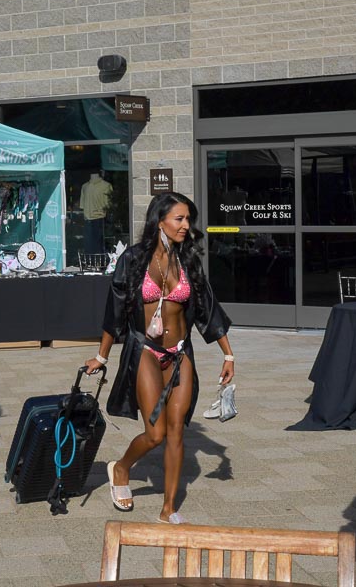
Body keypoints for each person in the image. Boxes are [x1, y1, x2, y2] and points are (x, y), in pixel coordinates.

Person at [83, 192, 235, 524]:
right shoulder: (133, 259)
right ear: (160, 220)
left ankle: (168, 510)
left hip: (180, 353)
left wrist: (228, 354)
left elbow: (208, 307)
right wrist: (101, 357)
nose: (186, 225)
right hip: (145, 351)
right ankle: (121, 468)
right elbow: (115, 310)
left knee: (176, 431)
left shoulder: (188, 260)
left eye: (188, 219)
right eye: (179, 219)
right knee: (156, 434)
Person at [80, 171, 113, 254]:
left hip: (96, 219)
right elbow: (109, 204)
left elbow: (82, 205)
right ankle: (96, 259)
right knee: (97, 244)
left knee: (93, 244)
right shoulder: (85, 186)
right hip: (96, 218)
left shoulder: (85, 186)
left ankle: (94, 259)